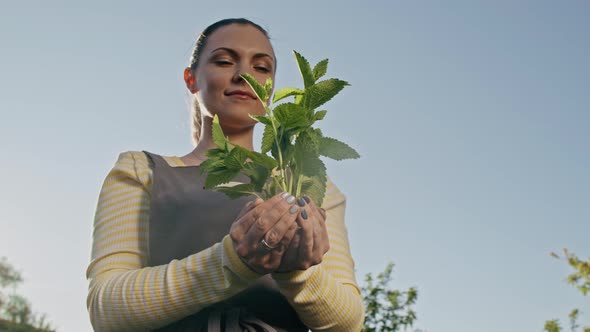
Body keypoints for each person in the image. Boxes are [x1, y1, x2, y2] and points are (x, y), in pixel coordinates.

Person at [86, 18, 364, 332]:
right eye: (224, 61)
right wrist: (232, 261)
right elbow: (105, 308)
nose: (245, 75)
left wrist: (297, 273)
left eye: (262, 68)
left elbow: (349, 322)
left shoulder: (311, 186)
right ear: (191, 79)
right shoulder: (140, 170)